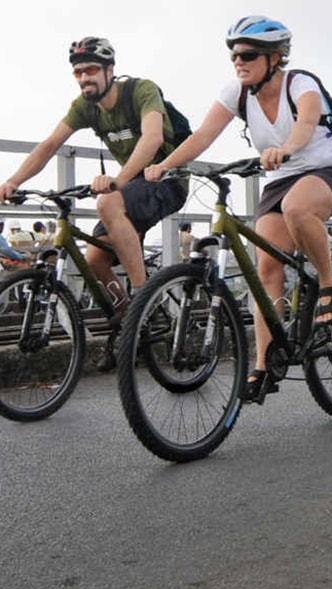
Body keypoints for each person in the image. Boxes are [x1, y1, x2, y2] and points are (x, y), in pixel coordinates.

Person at [145, 16, 332, 403]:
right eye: (233, 55)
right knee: (266, 267)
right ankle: (265, 362)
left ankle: (329, 285)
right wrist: (166, 165)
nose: (238, 62)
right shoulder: (238, 92)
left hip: (329, 170)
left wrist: (289, 149)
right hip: (280, 175)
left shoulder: (301, 83)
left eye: (247, 55)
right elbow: (204, 136)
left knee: (297, 208)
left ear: (275, 58)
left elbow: (307, 122)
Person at [0, 36, 188, 370]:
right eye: (78, 73)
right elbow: (50, 144)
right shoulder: (84, 107)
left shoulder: (141, 91)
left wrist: (119, 180)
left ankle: (143, 298)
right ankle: (129, 318)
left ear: (109, 71)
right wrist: (14, 181)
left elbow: (153, 137)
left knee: (106, 203)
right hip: (131, 187)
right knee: (95, 260)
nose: (84, 78)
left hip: (167, 180)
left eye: (90, 70)